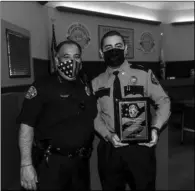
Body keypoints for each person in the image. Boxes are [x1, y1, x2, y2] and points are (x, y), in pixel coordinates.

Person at [92, 30, 171, 191]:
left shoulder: (143, 74)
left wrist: (155, 129)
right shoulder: (95, 82)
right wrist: (107, 135)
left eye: (118, 46)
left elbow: (163, 102)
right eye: (108, 47)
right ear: (101, 53)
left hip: (140, 147)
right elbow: (94, 116)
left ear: (126, 49)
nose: (114, 50)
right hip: (110, 148)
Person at [17, 40, 97, 190]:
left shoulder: (85, 85)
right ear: (56, 59)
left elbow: (92, 117)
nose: (72, 61)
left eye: (77, 56)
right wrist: (26, 164)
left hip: (80, 163)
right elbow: (27, 124)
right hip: (51, 163)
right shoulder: (42, 86)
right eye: (66, 57)